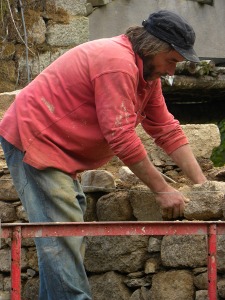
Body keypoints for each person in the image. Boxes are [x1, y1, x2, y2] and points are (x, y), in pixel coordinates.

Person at [0, 9, 206, 300]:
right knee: (63, 237)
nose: (172, 71)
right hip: (35, 139)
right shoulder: (117, 63)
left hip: (58, 148)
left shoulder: (147, 74)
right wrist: (162, 190)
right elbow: (121, 136)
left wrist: (202, 187)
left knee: (63, 239)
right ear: (152, 47)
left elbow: (166, 129)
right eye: (171, 60)